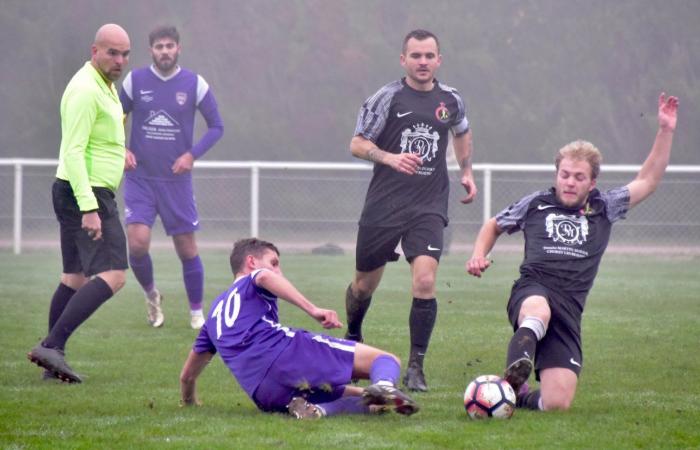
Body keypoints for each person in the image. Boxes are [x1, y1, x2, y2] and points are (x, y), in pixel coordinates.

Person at [466, 93, 679, 411]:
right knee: (538, 310)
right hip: (533, 290)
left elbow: (647, 181)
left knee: (556, 404)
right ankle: (516, 368)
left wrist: (665, 130)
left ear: (592, 182)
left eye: (579, 177)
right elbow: (493, 225)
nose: (569, 182)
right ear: (557, 174)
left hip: (569, 308)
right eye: (564, 175)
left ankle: (519, 394)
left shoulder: (604, 207)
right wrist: (477, 254)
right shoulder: (537, 203)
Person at [344, 29, 477, 392]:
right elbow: (357, 143)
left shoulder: (451, 99)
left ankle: (416, 366)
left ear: (439, 60)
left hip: (428, 204)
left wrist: (466, 171)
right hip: (384, 204)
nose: (422, 62)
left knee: (425, 281)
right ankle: (353, 332)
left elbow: (462, 131)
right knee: (363, 285)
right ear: (403, 60)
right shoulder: (386, 97)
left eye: (429, 56)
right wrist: (389, 157)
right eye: (415, 56)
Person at [179, 238, 419, 419]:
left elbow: (187, 376)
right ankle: (386, 385)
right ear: (251, 262)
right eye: (274, 263)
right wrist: (313, 309)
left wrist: (190, 405)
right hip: (285, 355)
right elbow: (264, 277)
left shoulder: (213, 318)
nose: (278, 271)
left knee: (367, 400)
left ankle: (319, 410)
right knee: (386, 360)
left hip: (264, 393)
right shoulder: (254, 278)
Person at [26, 24, 132, 383]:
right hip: (85, 194)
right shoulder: (85, 89)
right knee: (114, 275)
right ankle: (52, 346)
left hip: (81, 191)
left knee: (73, 278)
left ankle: (51, 363)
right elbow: (72, 150)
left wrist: (120, 154)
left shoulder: (106, 86)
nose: (120, 60)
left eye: (125, 54)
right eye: (113, 53)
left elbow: (97, 141)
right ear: (95, 51)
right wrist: (89, 207)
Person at [119, 25, 224, 329]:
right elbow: (114, 117)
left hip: (176, 183)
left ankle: (196, 313)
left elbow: (216, 126)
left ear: (178, 48)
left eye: (169, 46)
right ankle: (152, 295)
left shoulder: (195, 84)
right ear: (150, 50)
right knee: (137, 245)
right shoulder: (135, 81)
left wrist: (191, 155)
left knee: (186, 249)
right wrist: (121, 148)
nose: (164, 51)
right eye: (158, 46)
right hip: (140, 179)